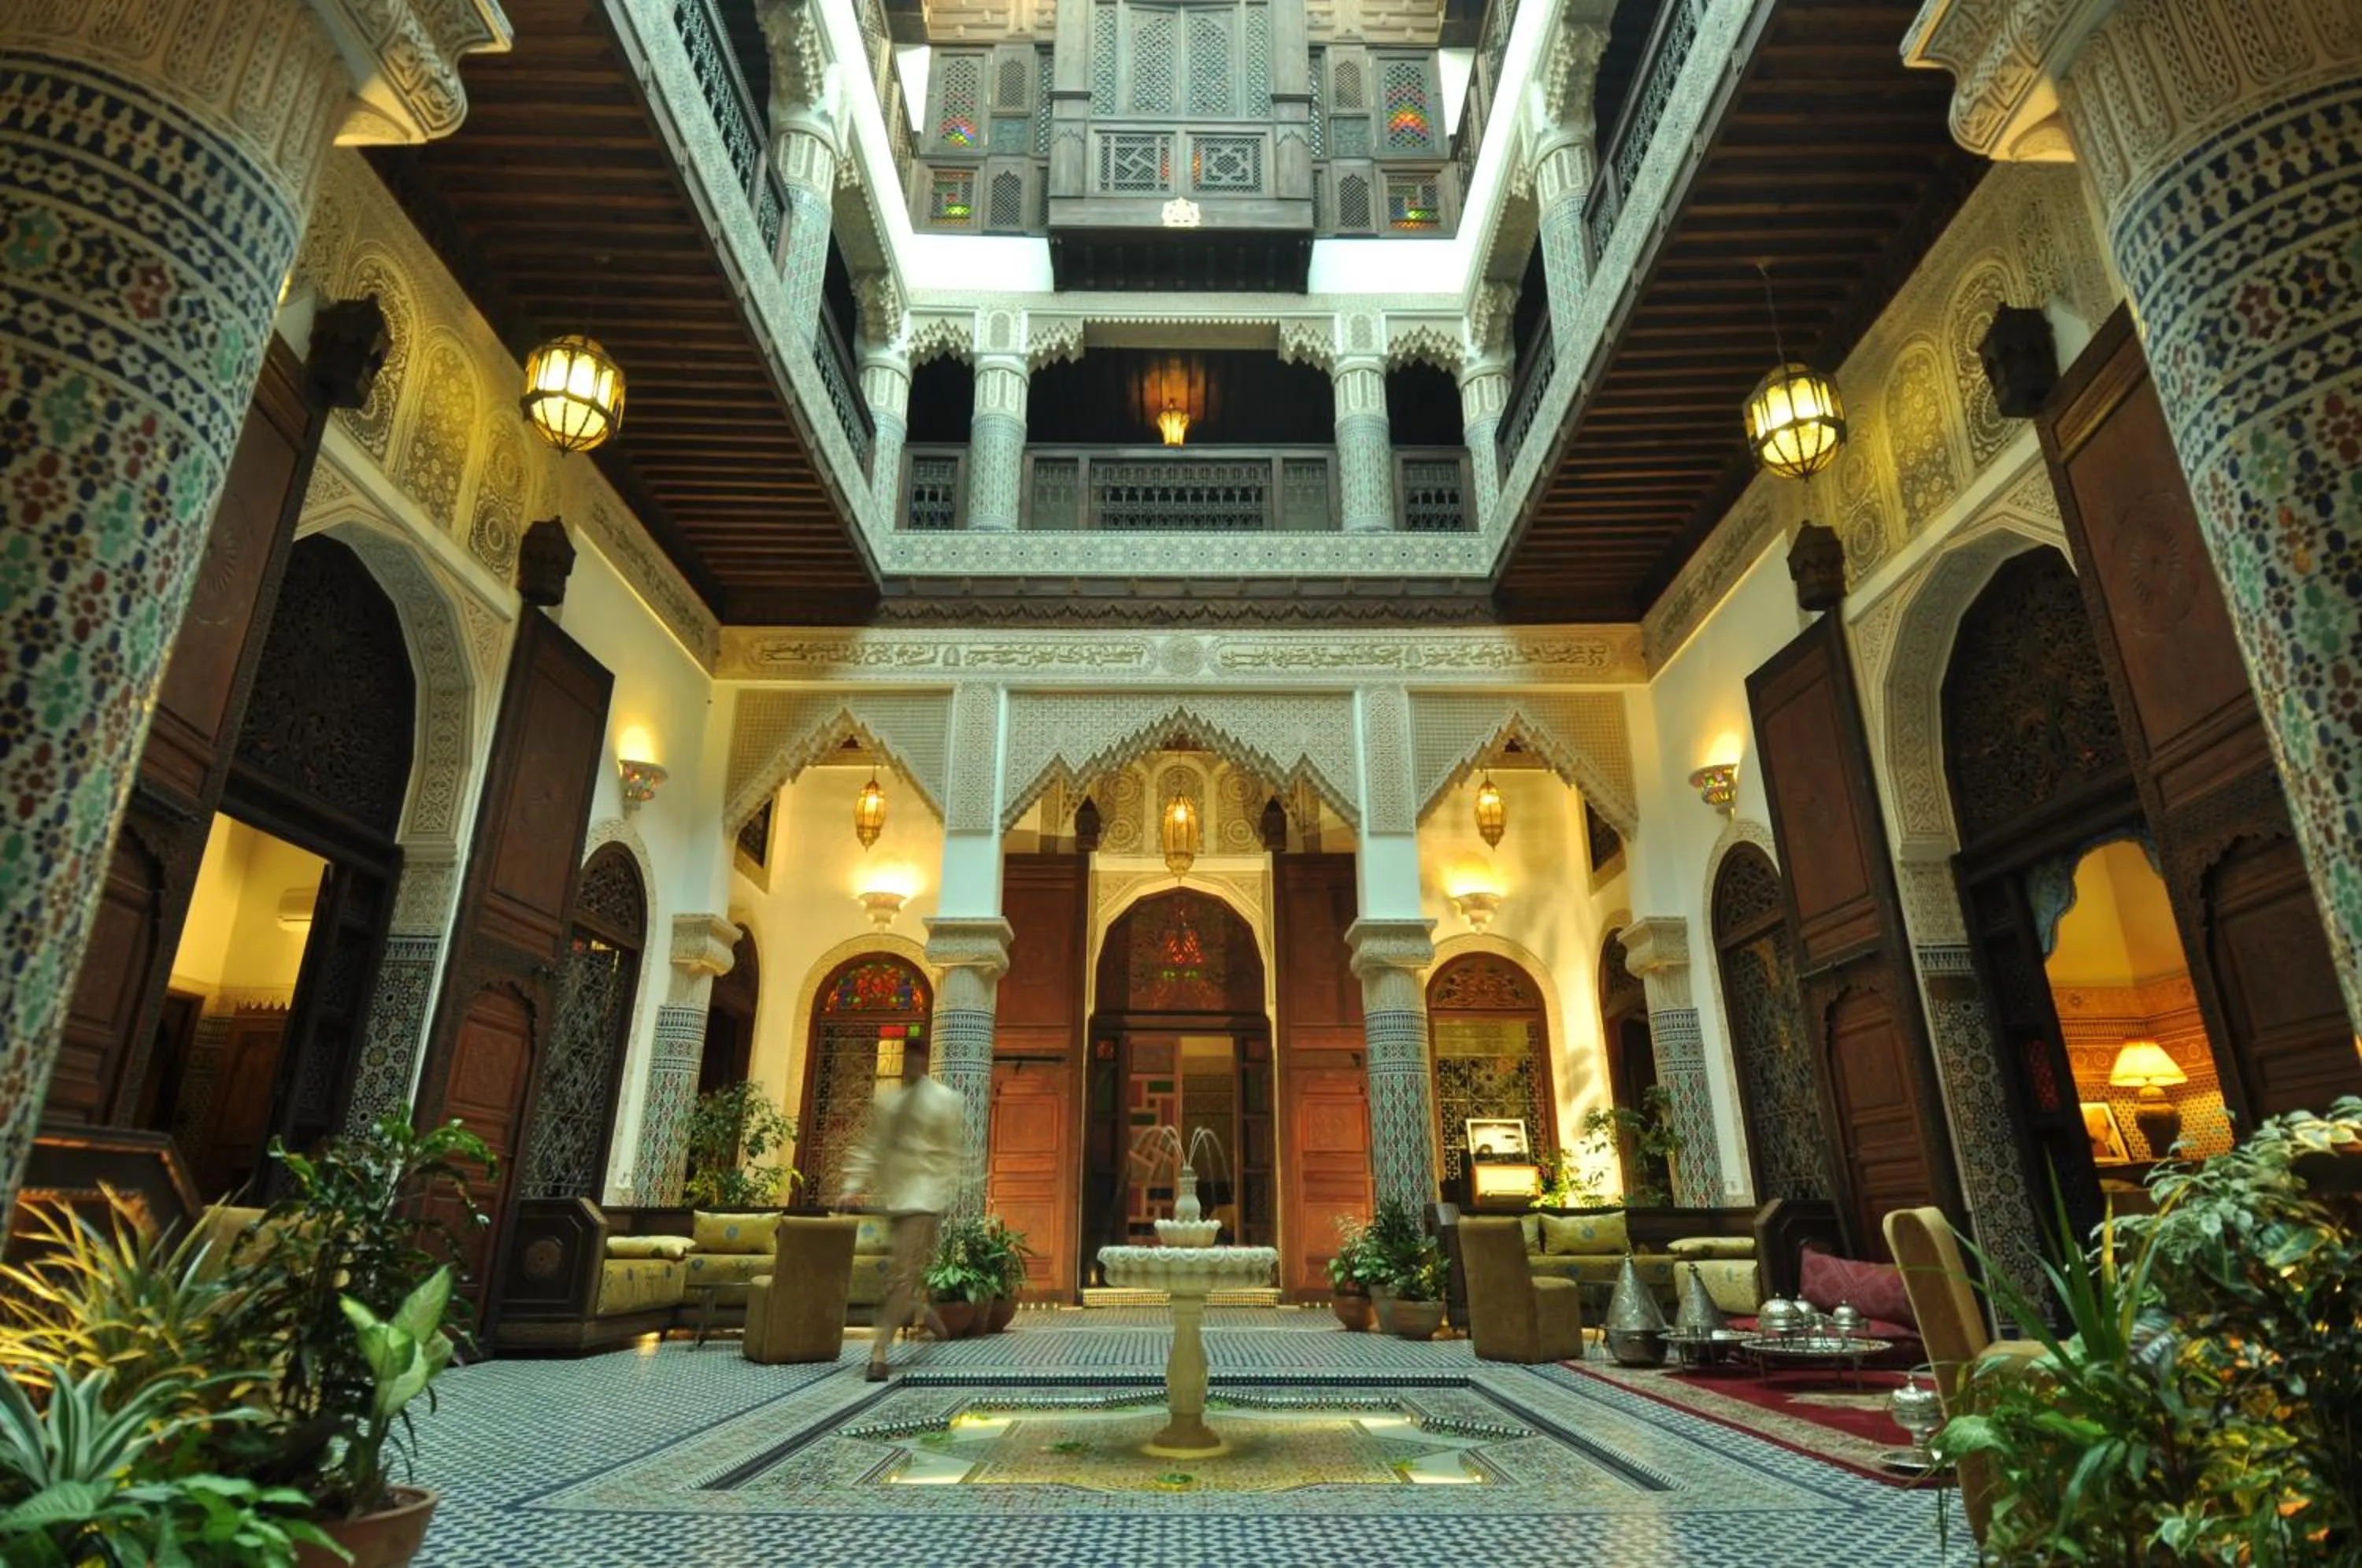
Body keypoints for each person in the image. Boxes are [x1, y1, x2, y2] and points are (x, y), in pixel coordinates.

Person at [838, 1040, 966, 1381]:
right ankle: (925, 1312)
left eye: (915, 1058)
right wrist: (853, 1186)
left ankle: (879, 1352)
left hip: (924, 1199)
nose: (910, 1064)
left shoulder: (944, 1101)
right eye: (906, 1058)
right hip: (895, 1198)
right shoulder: (889, 1102)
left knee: (901, 1276)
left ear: (924, 1060)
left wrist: (942, 1191)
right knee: (906, 1274)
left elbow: (951, 1151)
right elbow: (873, 1146)